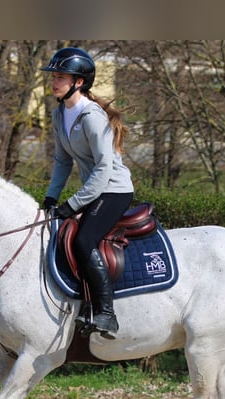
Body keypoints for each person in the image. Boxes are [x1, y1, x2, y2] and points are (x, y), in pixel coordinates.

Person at [41, 46, 134, 339]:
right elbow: (62, 161)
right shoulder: (60, 115)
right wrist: (51, 197)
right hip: (96, 188)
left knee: (83, 241)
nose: (54, 81)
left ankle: (106, 313)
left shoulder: (92, 117)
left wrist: (72, 204)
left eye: (61, 77)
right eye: (53, 76)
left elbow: (104, 169)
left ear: (79, 82)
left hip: (114, 190)